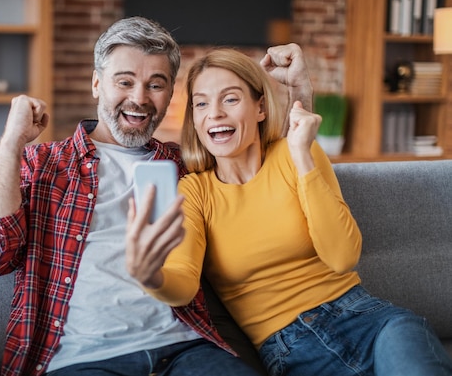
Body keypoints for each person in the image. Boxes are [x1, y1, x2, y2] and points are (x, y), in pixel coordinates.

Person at [0, 16, 311, 376]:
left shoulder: (187, 165)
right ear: (97, 83)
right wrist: (12, 141)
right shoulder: (45, 163)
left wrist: (299, 91)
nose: (139, 98)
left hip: (185, 350)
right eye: (125, 81)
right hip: (84, 359)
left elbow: (272, 173)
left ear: (170, 94)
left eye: (155, 85)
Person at [126, 48, 452, 376]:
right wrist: (150, 275)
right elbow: (182, 280)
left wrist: (302, 154)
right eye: (201, 103)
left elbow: (342, 257)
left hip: (373, 321)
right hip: (290, 348)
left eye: (230, 99)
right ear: (194, 119)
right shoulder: (195, 193)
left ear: (261, 108)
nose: (215, 113)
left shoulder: (295, 153)